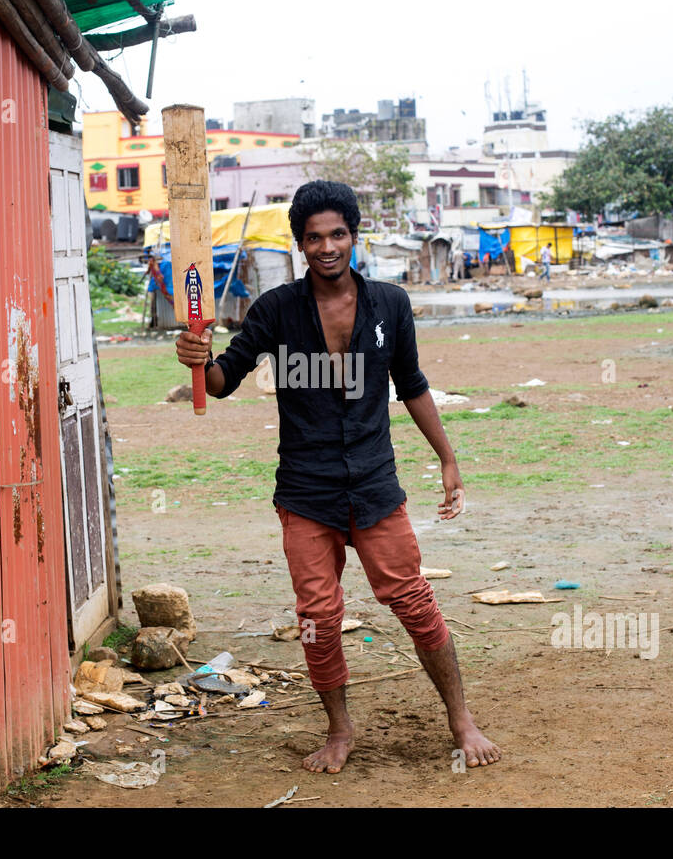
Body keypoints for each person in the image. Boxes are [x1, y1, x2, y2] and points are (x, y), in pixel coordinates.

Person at [176, 180, 501, 773]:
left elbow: (413, 385)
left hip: (376, 486)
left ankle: (461, 720)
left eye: (338, 234)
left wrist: (448, 461)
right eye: (314, 238)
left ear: (353, 235)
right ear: (300, 244)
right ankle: (339, 730)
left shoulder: (390, 303)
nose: (327, 247)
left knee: (414, 602)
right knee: (318, 618)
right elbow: (227, 378)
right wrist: (201, 362)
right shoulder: (275, 309)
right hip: (306, 491)